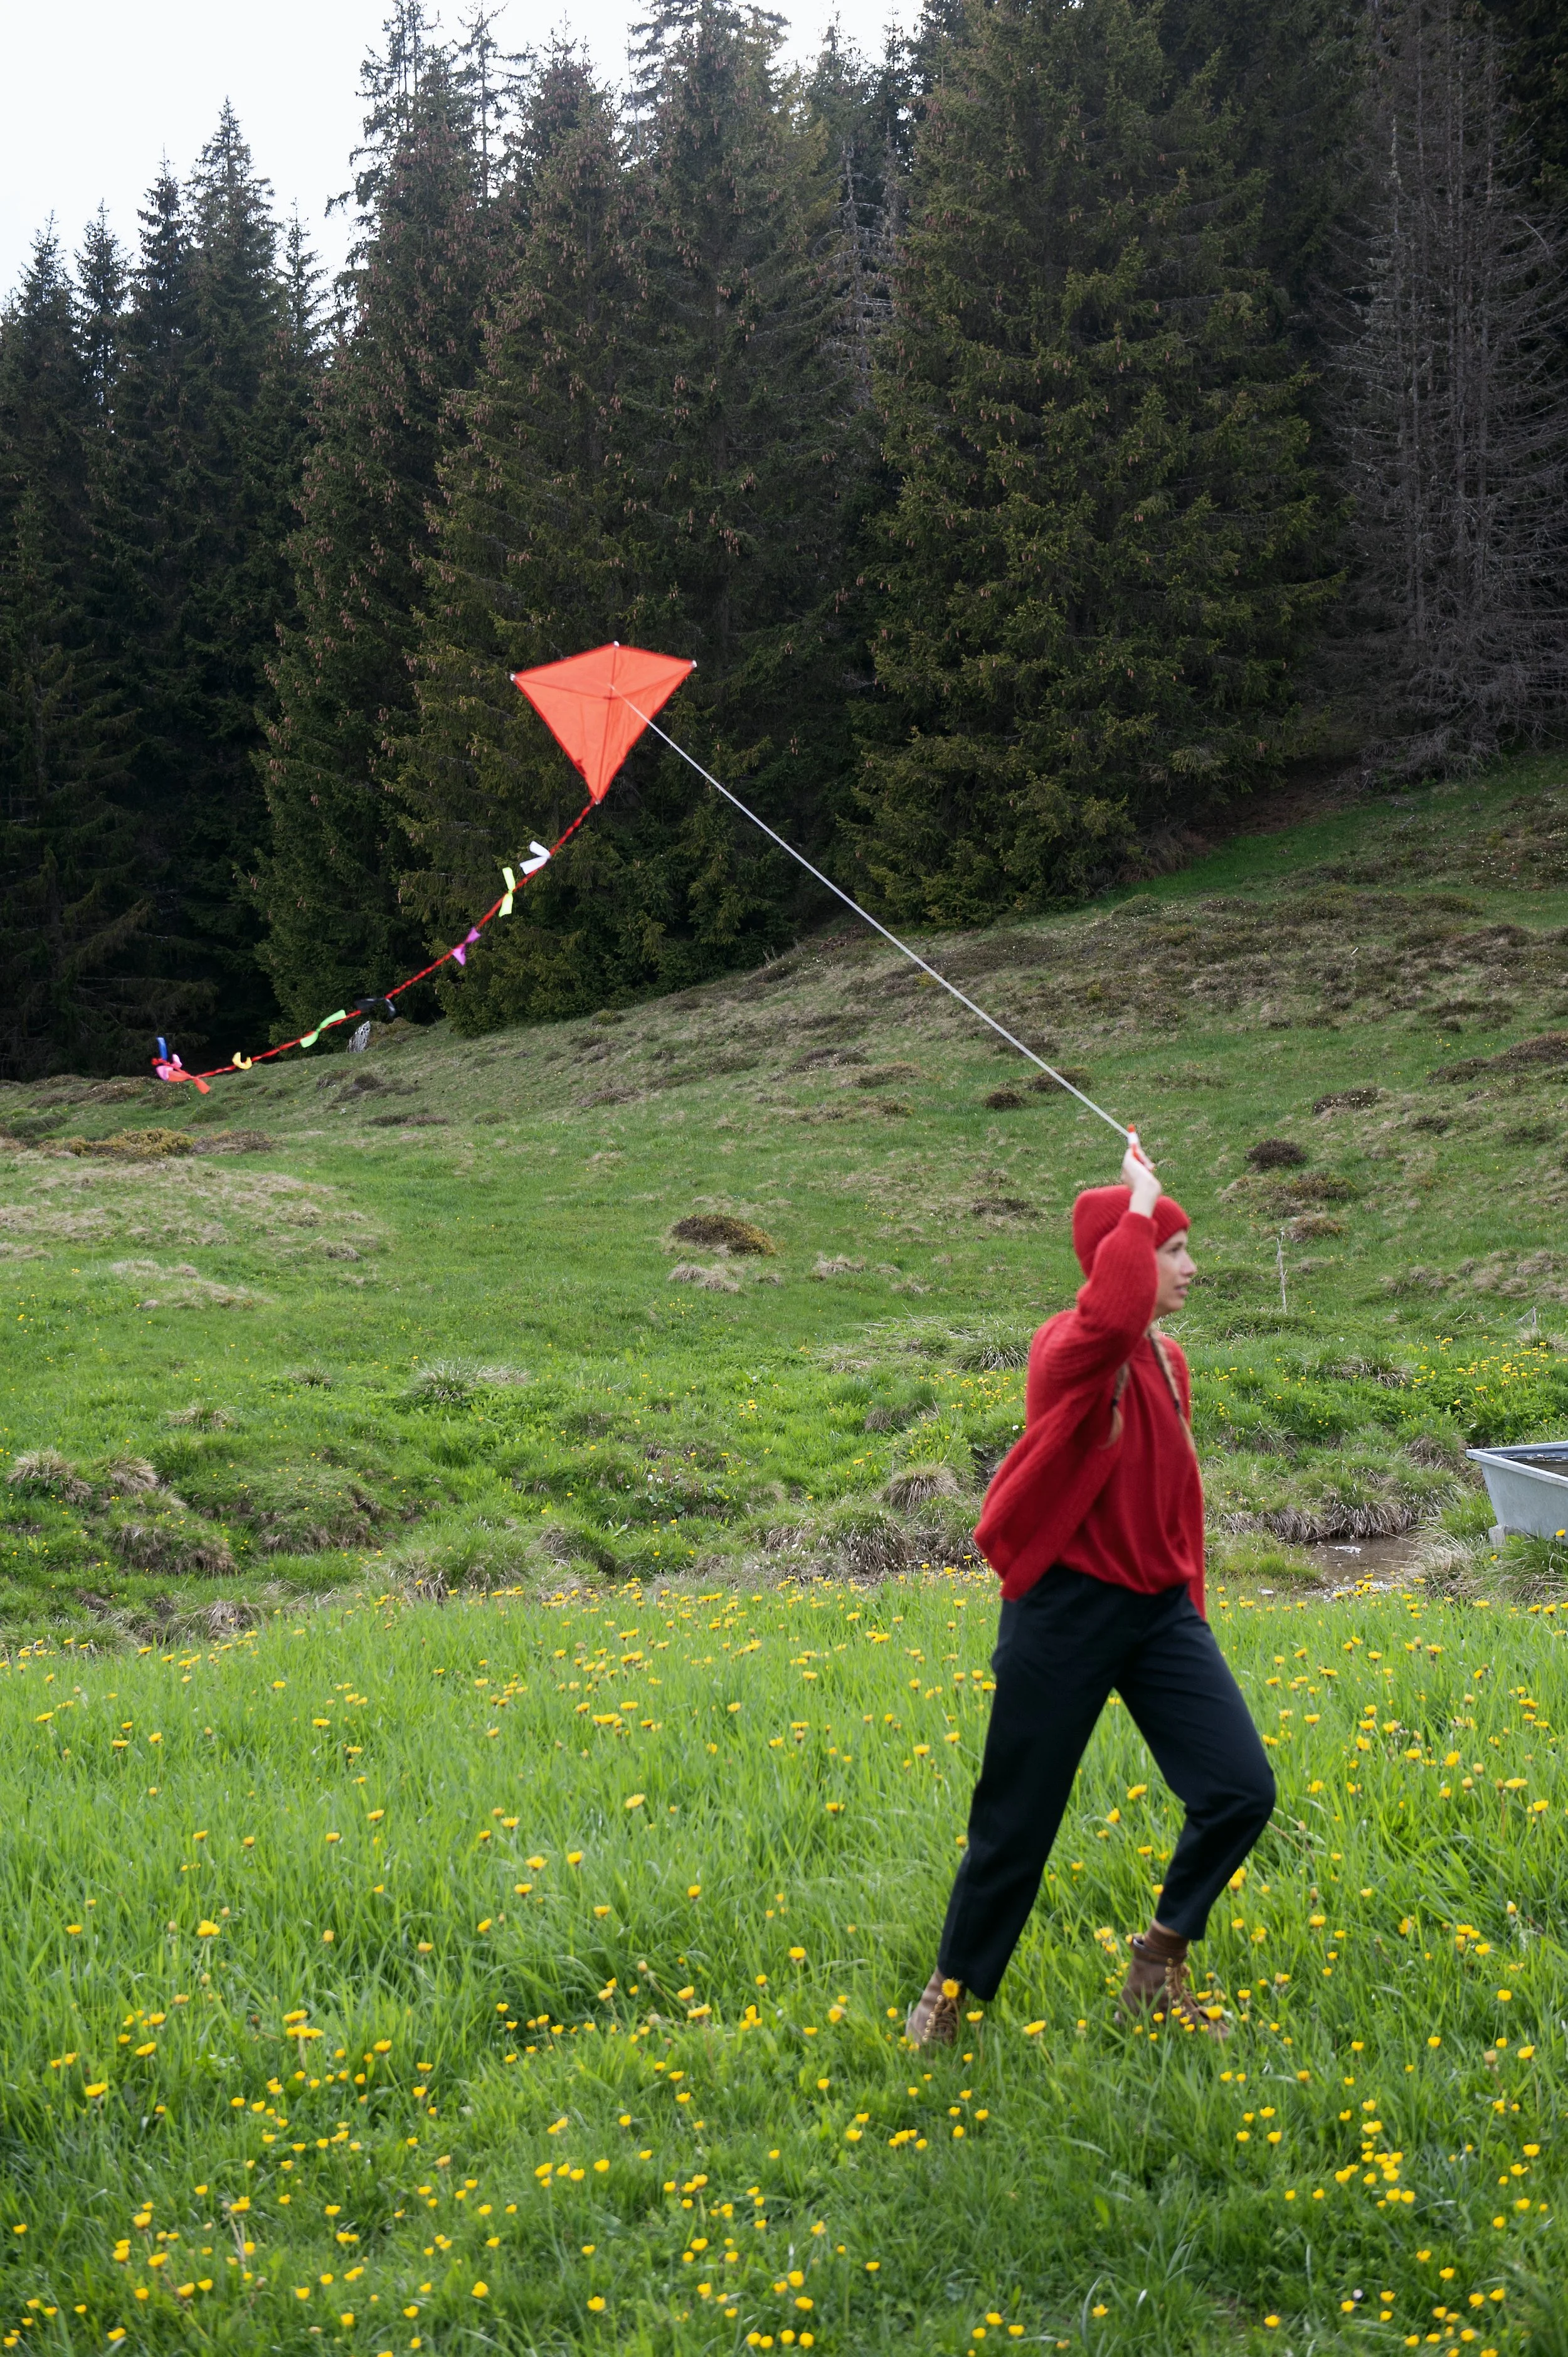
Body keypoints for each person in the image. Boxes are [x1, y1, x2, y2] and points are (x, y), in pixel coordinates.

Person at [905, 1143, 1275, 2046]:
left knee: (1240, 1789)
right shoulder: (1068, 1350)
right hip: (1064, 1616)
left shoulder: (1171, 1362)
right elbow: (1108, 1318)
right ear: (1125, 1257)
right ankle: (949, 1997)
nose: (1191, 1266)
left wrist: (1188, 1606)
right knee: (1015, 1822)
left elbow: (1174, 1500)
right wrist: (1139, 1196)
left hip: (1156, 1619)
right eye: (1172, 1247)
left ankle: (1158, 1966)